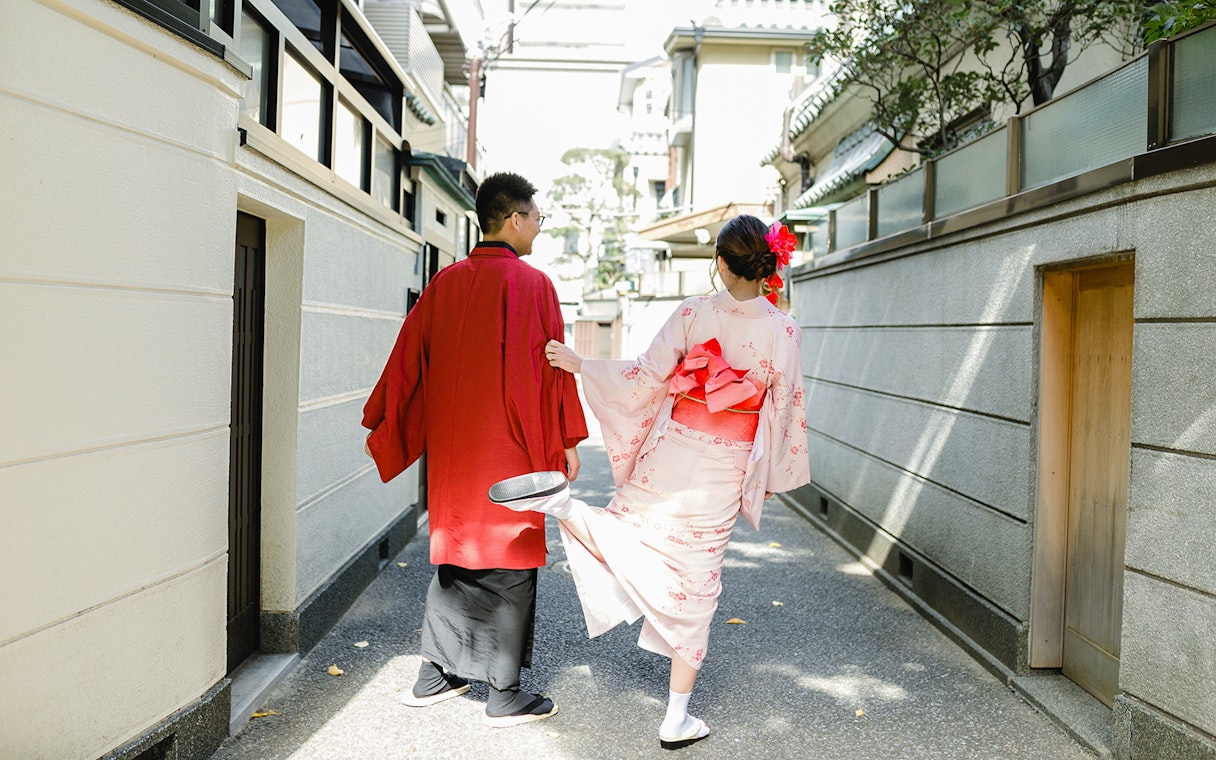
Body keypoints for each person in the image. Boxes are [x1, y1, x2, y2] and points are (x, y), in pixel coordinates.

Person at [490, 214, 810, 749]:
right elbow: (786, 408)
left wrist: (580, 364)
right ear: (766, 265)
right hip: (722, 469)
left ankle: (569, 508)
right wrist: (769, 476)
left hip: (670, 455)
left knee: (627, 530)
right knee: (698, 583)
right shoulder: (783, 330)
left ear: (722, 264)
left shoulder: (692, 312)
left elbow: (645, 375)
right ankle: (677, 717)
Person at [362, 171, 588, 728]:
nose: (539, 226)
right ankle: (505, 693)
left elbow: (408, 359)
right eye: (536, 217)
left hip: (458, 451)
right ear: (514, 218)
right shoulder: (534, 286)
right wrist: (564, 439)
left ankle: (433, 676)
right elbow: (552, 366)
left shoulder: (446, 283)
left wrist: (389, 421)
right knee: (510, 561)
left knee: (457, 558)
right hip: (511, 447)